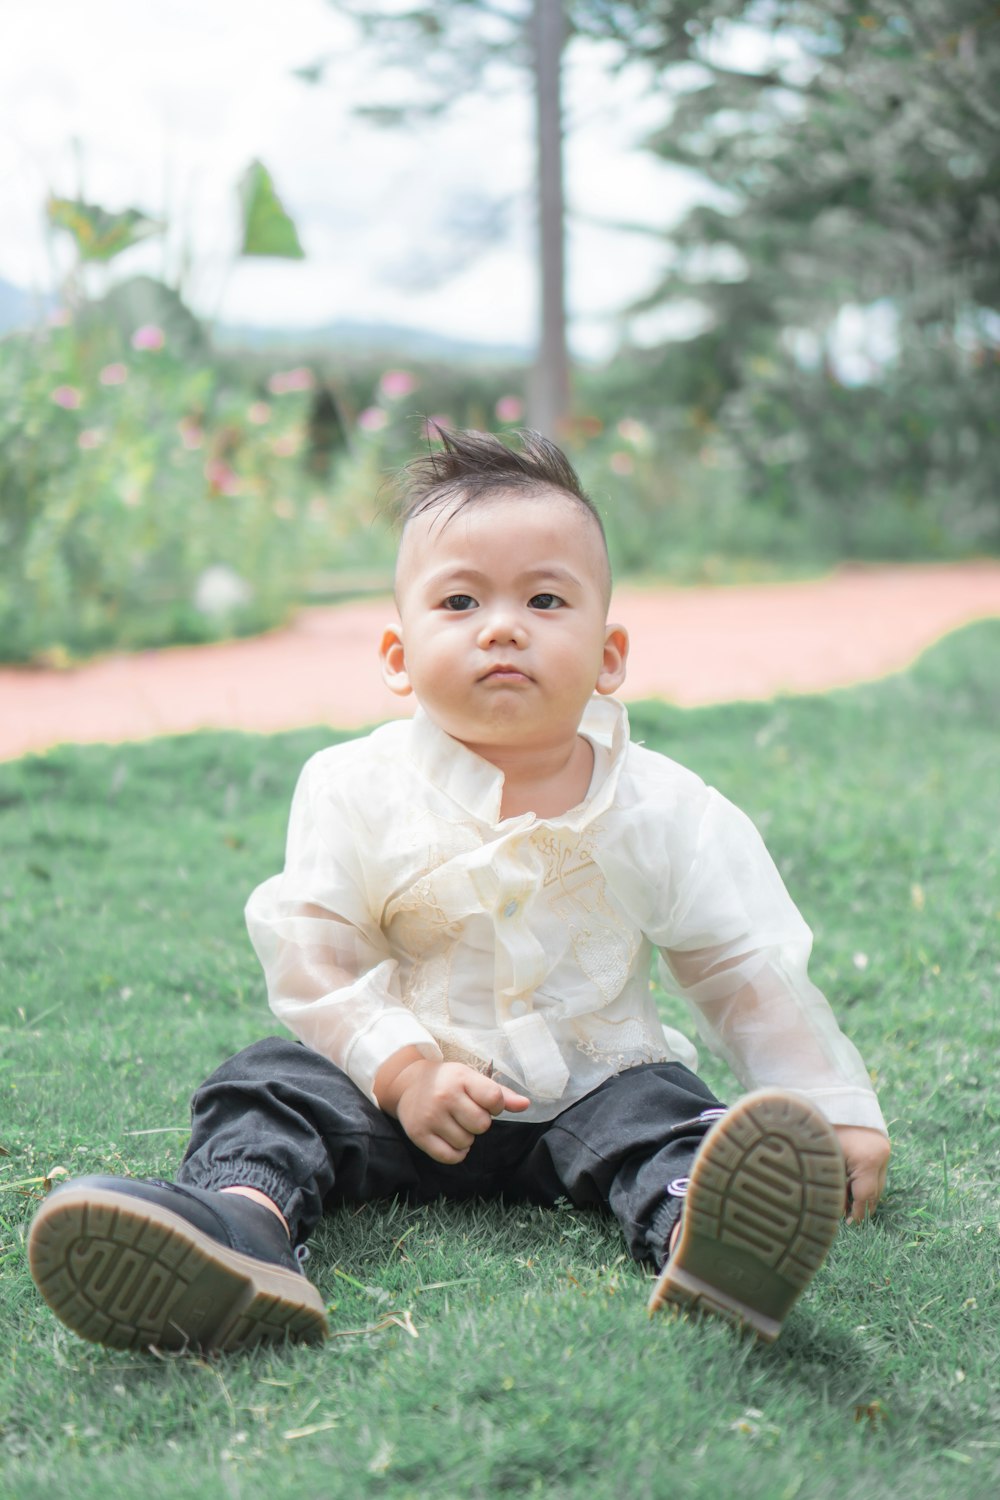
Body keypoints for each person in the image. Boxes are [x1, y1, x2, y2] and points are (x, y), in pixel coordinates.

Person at [28, 428, 890, 1354]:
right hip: (397, 1093)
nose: (503, 625)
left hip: (591, 1087)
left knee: (670, 1111)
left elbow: (743, 968)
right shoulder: (352, 786)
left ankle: (705, 1234)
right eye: (462, 600)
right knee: (269, 1083)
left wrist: (831, 1107)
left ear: (609, 654)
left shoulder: (668, 809)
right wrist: (404, 1071)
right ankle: (241, 1226)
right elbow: (314, 954)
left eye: (546, 598)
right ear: (399, 654)